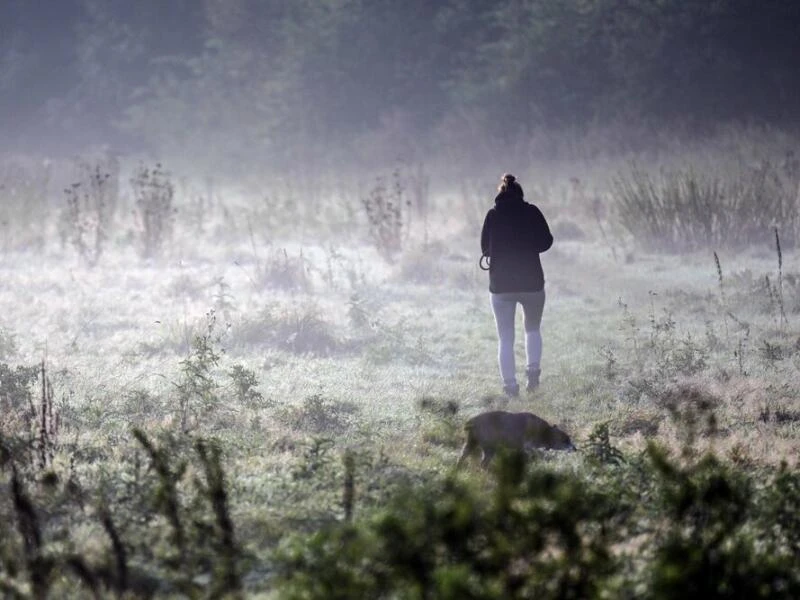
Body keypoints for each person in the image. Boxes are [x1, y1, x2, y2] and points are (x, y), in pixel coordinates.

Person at [481, 173, 553, 396]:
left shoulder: (493, 215)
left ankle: (510, 387)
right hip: (531, 281)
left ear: (500, 195)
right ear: (520, 195)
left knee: (506, 338)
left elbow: (485, 248)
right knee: (532, 329)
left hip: (501, 284)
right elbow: (546, 241)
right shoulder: (531, 212)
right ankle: (533, 376)